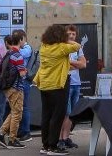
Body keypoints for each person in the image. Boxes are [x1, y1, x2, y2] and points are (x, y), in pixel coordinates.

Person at [33, 24, 80, 156]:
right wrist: (66, 40)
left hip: (44, 85)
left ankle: (46, 145)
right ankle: (53, 147)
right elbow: (77, 46)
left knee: (46, 115)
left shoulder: (44, 47)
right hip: (58, 85)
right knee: (58, 115)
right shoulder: (61, 47)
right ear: (61, 36)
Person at [0, 34, 28, 149]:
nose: (25, 42)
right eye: (24, 39)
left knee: (14, 112)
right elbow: (22, 74)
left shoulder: (9, 54)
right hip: (16, 88)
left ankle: (1, 134)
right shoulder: (18, 56)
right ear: (20, 40)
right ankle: (12, 139)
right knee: (17, 114)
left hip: (8, 88)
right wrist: (26, 71)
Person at [59, 25, 86, 151]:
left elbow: (83, 64)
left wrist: (71, 63)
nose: (71, 36)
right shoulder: (62, 46)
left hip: (76, 83)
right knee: (65, 113)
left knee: (72, 114)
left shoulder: (78, 48)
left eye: (73, 34)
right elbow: (62, 65)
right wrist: (75, 64)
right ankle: (60, 139)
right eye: (69, 33)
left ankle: (66, 138)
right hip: (65, 83)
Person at [12, 29, 34, 143]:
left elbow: (17, 54)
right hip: (18, 81)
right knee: (18, 107)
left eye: (16, 39)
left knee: (24, 107)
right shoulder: (20, 49)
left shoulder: (27, 48)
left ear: (22, 39)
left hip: (24, 81)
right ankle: (20, 131)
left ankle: (26, 132)